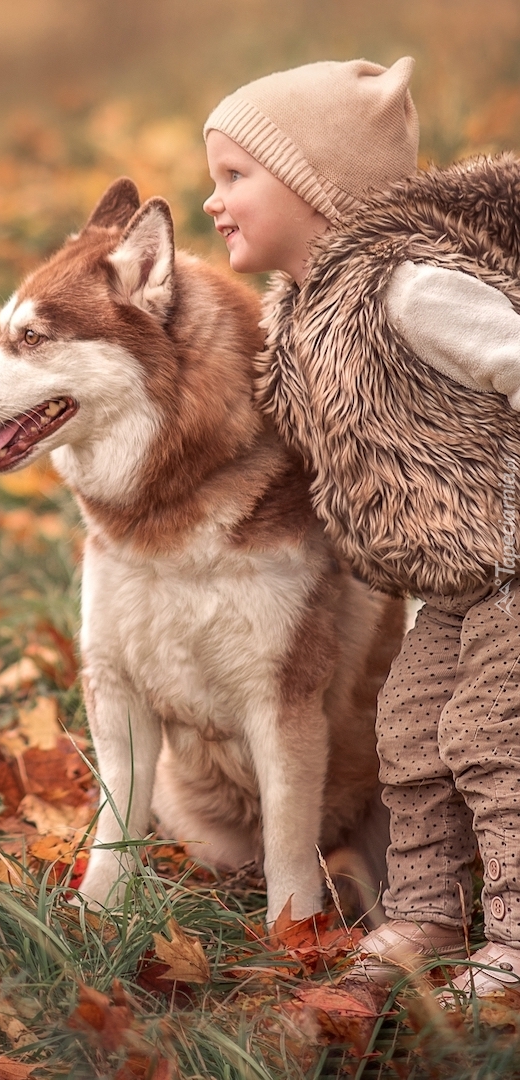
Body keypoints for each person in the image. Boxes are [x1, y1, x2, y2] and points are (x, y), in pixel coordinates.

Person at [202, 57, 520, 1000]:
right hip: (454, 578)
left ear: (314, 182)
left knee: (493, 736)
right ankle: (425, 911)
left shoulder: (410, 291)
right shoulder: (301, 316)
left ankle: (514, 936)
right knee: (411, 734)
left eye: (234, 177)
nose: (215, 202)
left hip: (513, 557)